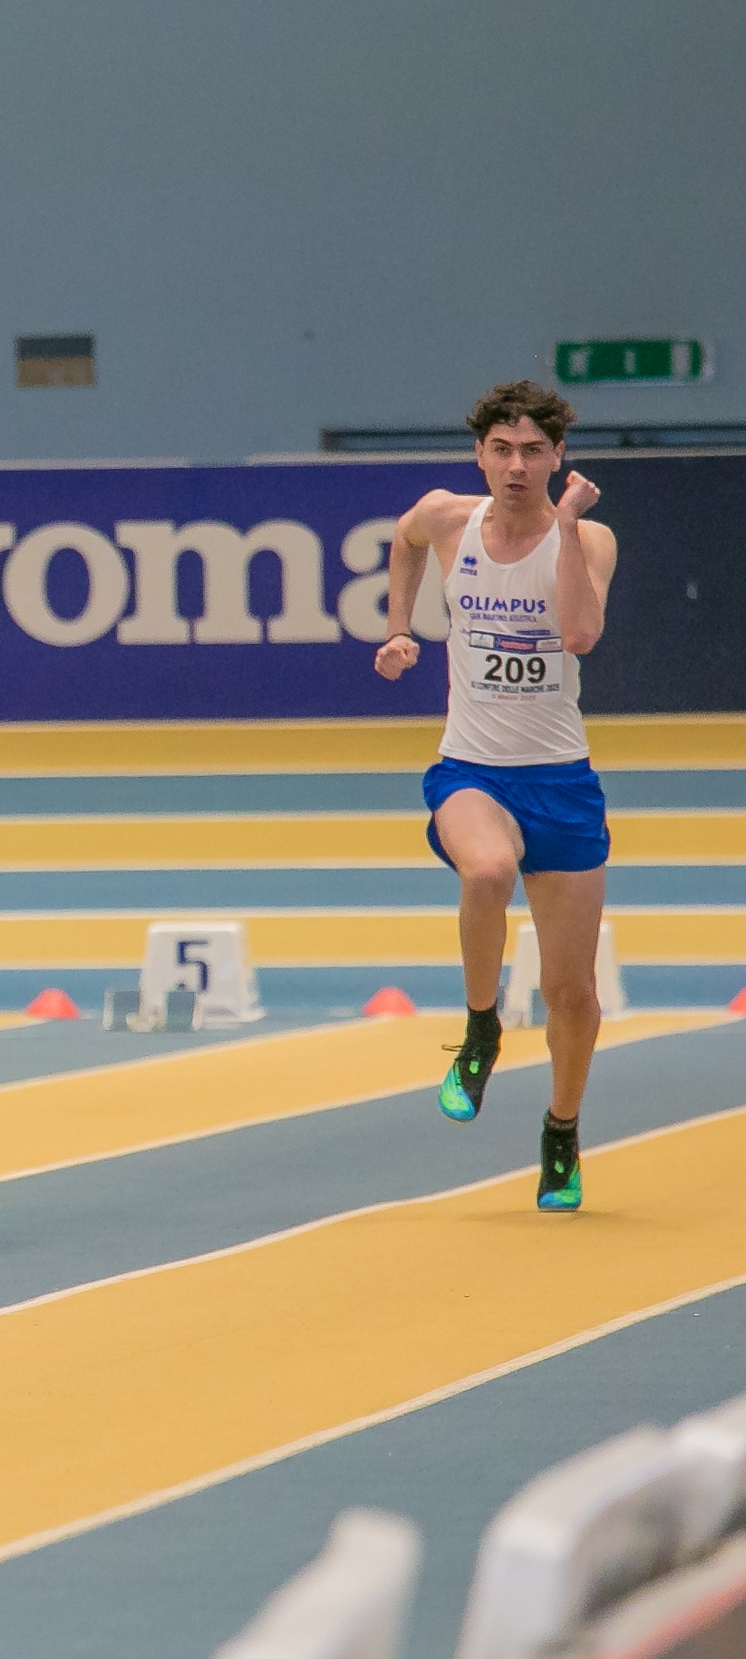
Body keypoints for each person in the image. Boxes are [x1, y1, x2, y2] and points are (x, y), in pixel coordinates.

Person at [375, 381, 615, 1212]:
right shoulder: (448, 518)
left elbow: (579, 634)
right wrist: (398, 625)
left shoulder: (590, 537)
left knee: (571, 993)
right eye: (502, 450)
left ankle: (561, 1129)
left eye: (533, 451)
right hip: (471, 769)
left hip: (561, 782)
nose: (517, 466)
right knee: (485, 871)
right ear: (479, 455)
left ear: (557, 457)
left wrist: (569, 527)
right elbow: (402, 540)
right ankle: (481, 1028)